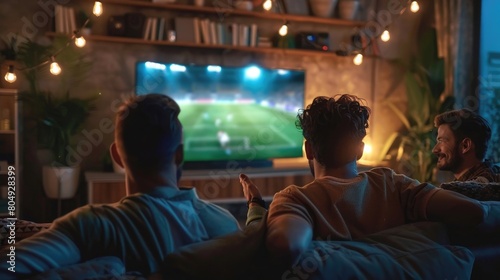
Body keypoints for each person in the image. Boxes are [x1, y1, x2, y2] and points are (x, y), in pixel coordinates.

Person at [239, 94, 499, 269]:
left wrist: (256, 207)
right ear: (360, 151)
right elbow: (474, 211)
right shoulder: (391, 182)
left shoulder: (295, 198)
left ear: (309, 150)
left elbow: (285, 246)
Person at [0, 94, 240, 278]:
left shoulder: (91, 224)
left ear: (116, 155)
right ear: (178, 155)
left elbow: (9, 267)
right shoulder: (225, 223)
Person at [433, 108, 500, 182]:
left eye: (442, 141)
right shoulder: (491, 177)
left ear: (465, 146)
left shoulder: (477, 189)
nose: (434, 150)